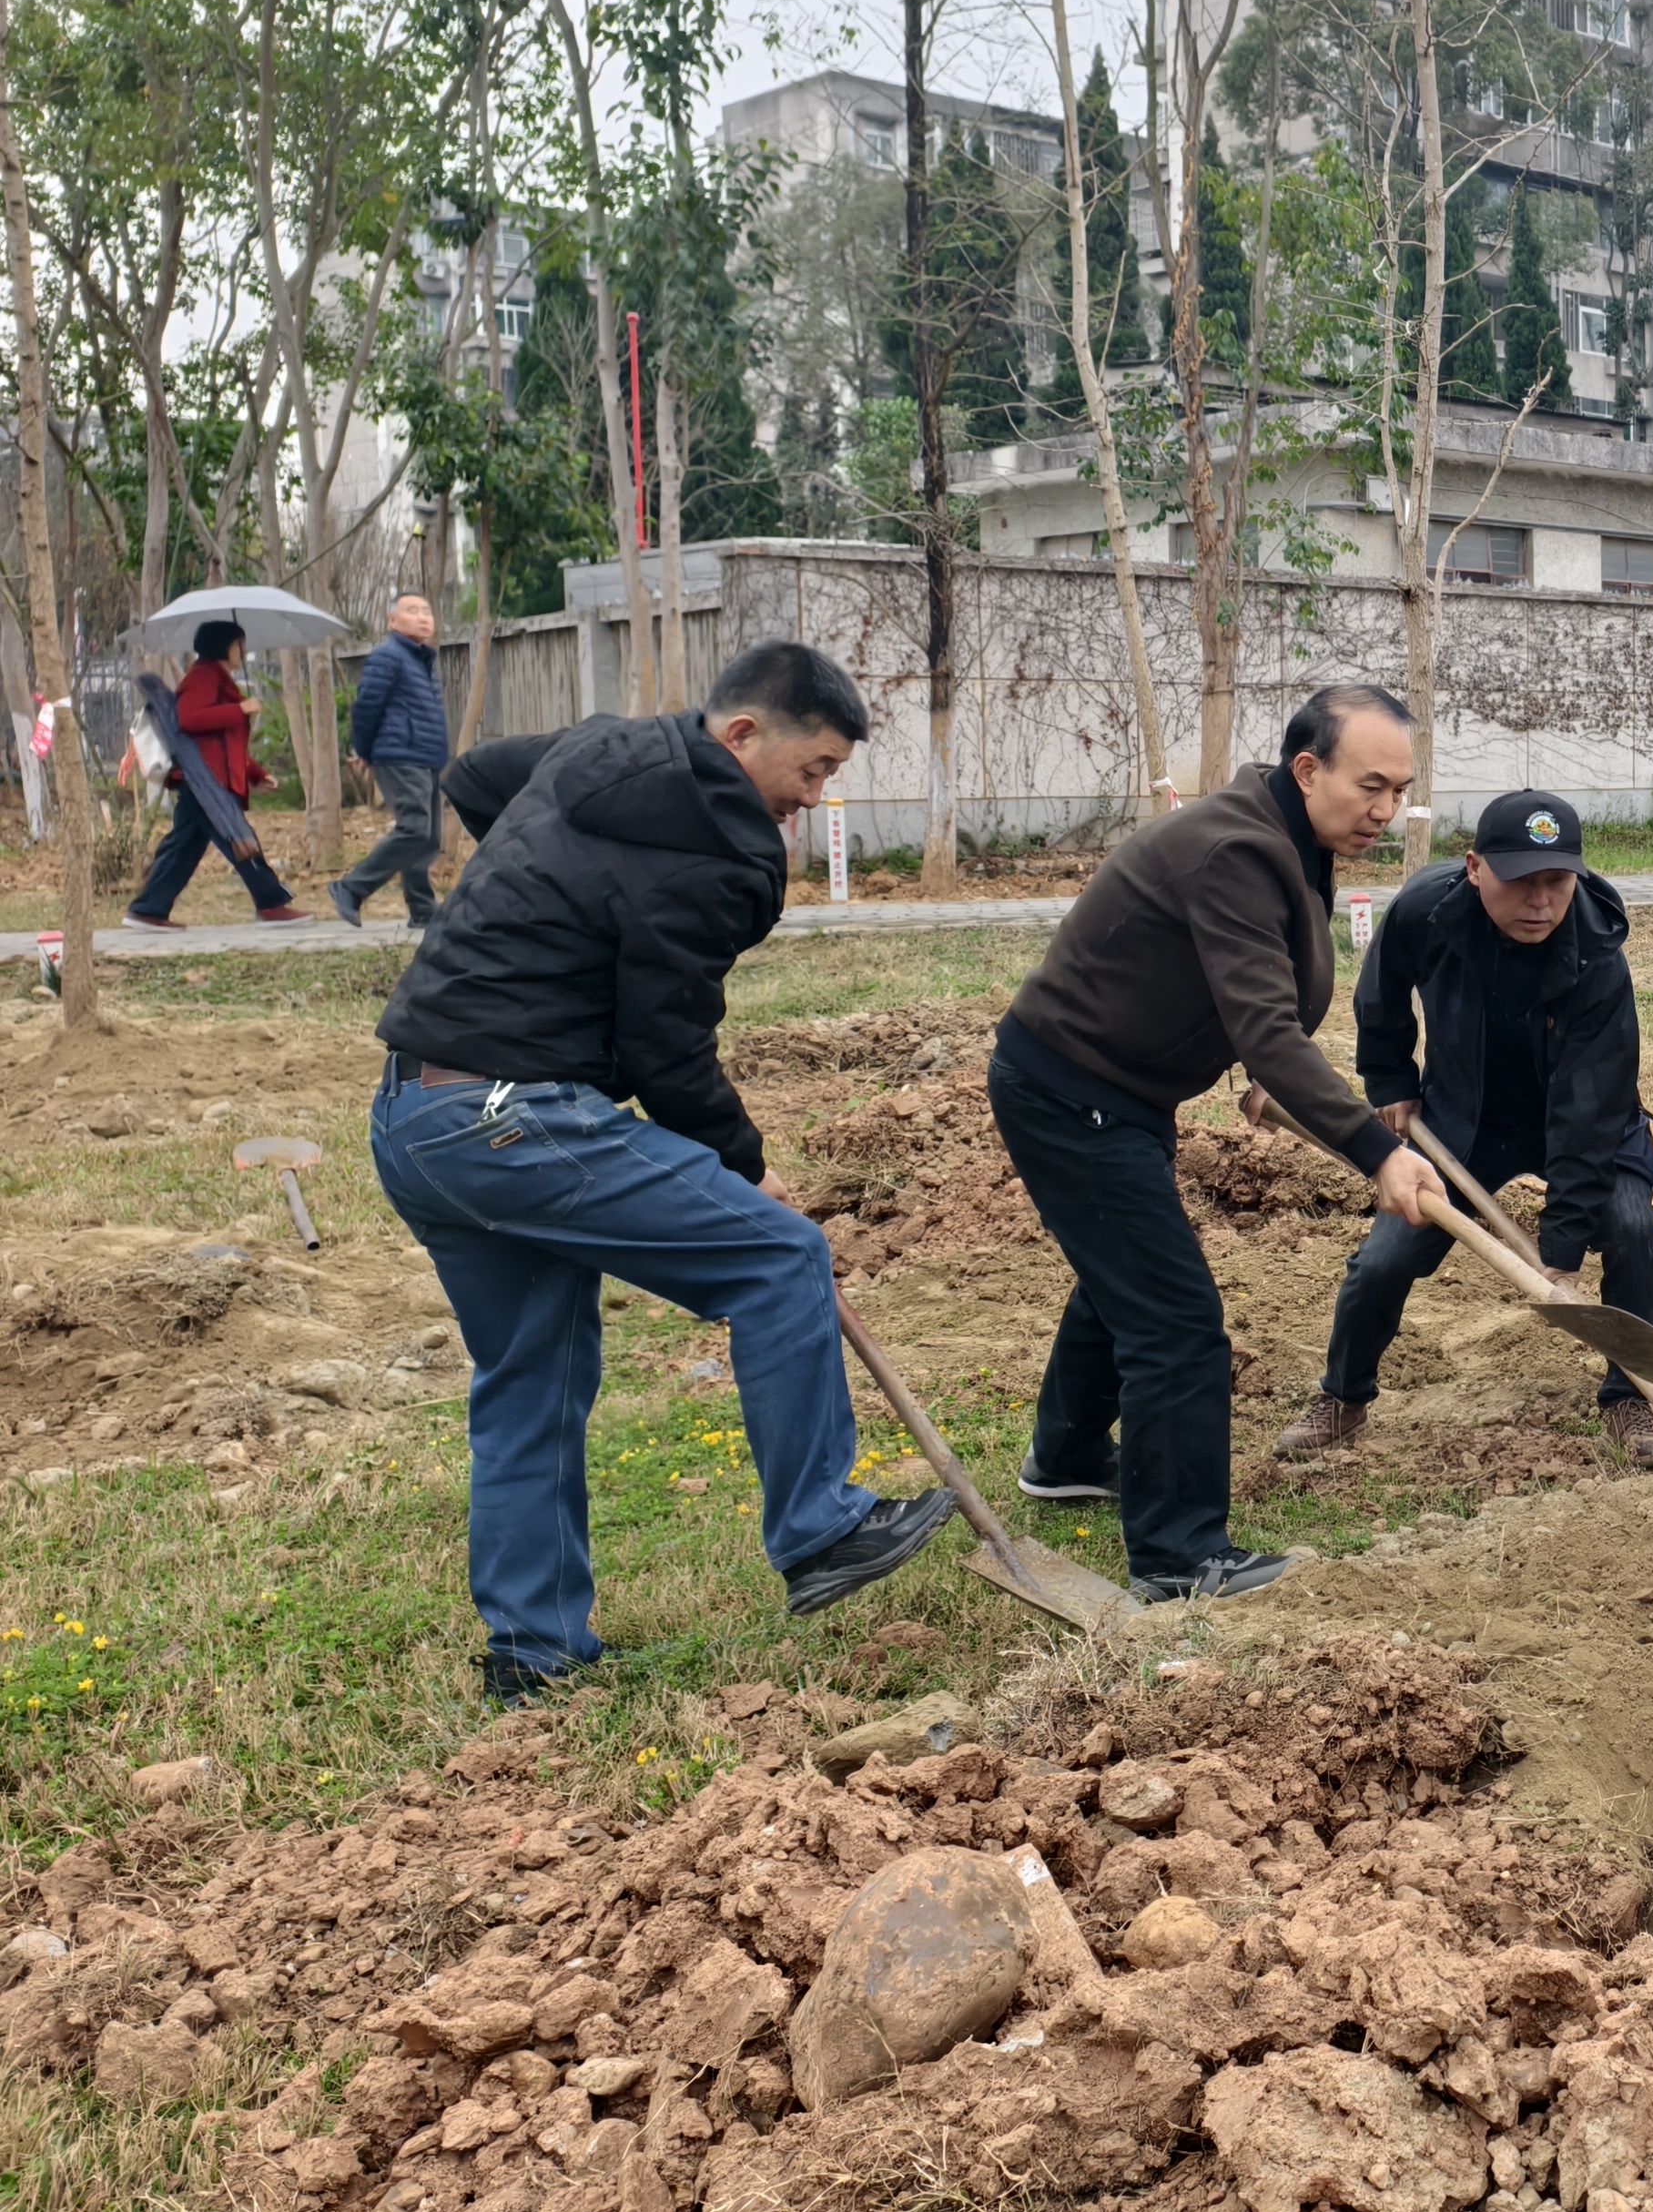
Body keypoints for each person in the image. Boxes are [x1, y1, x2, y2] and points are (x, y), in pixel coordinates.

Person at [369, 642, 948, 1700]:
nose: (811, 799)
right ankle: (822, 1531)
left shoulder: (602, 748)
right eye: (811, 770)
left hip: (416, 1117)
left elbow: (476, 778)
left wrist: (553, 902)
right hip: (512, 1118)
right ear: (741, 737)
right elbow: (664, 1050)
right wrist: (743, 1162)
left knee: (532, 1384)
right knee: (780, 1257)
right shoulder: (723, 852)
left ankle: (532, 1659)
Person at [992, 687, 1448, 1602]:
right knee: (1175, 1323)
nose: (1386, 812)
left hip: (1115, 1093)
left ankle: (1068, 1454)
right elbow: (1267, 1024)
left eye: (1400, 791)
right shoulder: (1234, 847)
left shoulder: (1287, 835)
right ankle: (1178, 1556)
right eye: (1371, 786)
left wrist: (1271, 1080)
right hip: (1071, 1091)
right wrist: (1374, 1149)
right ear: (1307, 769)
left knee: (1125, 1277)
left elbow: (1249, 999)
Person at [1289, 791, 1653, 1467]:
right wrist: (1390, 1085)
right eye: (1520, 881)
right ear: (1474, 868)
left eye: (1556, 881)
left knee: (1634, 1233)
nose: (1540, 901)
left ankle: (1629, 1397)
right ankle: (1343, 1397)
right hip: (1461, 1120)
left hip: (1590, 1121)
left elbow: (1587, 1108)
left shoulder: (1598, 953)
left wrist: (1559, 1247)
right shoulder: (1426, 911)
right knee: (1383, 1260)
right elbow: (1380, 997)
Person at [125, 619, 307, 928]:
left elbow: (224, 745)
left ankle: (149, 908)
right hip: (206, 784)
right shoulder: (203, 677)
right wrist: (240, 709)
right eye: (239, 645)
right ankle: (272, 903)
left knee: (183, 848)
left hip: (207, 781)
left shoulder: (221, 681)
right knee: (241, 840)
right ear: (222, 646)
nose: (244, 651)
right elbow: (189, 719)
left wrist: (257, 773)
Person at [331, 594, 450, 928]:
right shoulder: (388, 657)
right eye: (412, 611)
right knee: (414, 828)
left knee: (426, 837)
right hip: (400, 756)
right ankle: (351, 888)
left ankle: (423, 908)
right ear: (392, 622)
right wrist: (365, 751)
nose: (423, 617)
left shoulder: (422, 659)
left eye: (427, 611)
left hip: (425, 758)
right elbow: (366, 708)